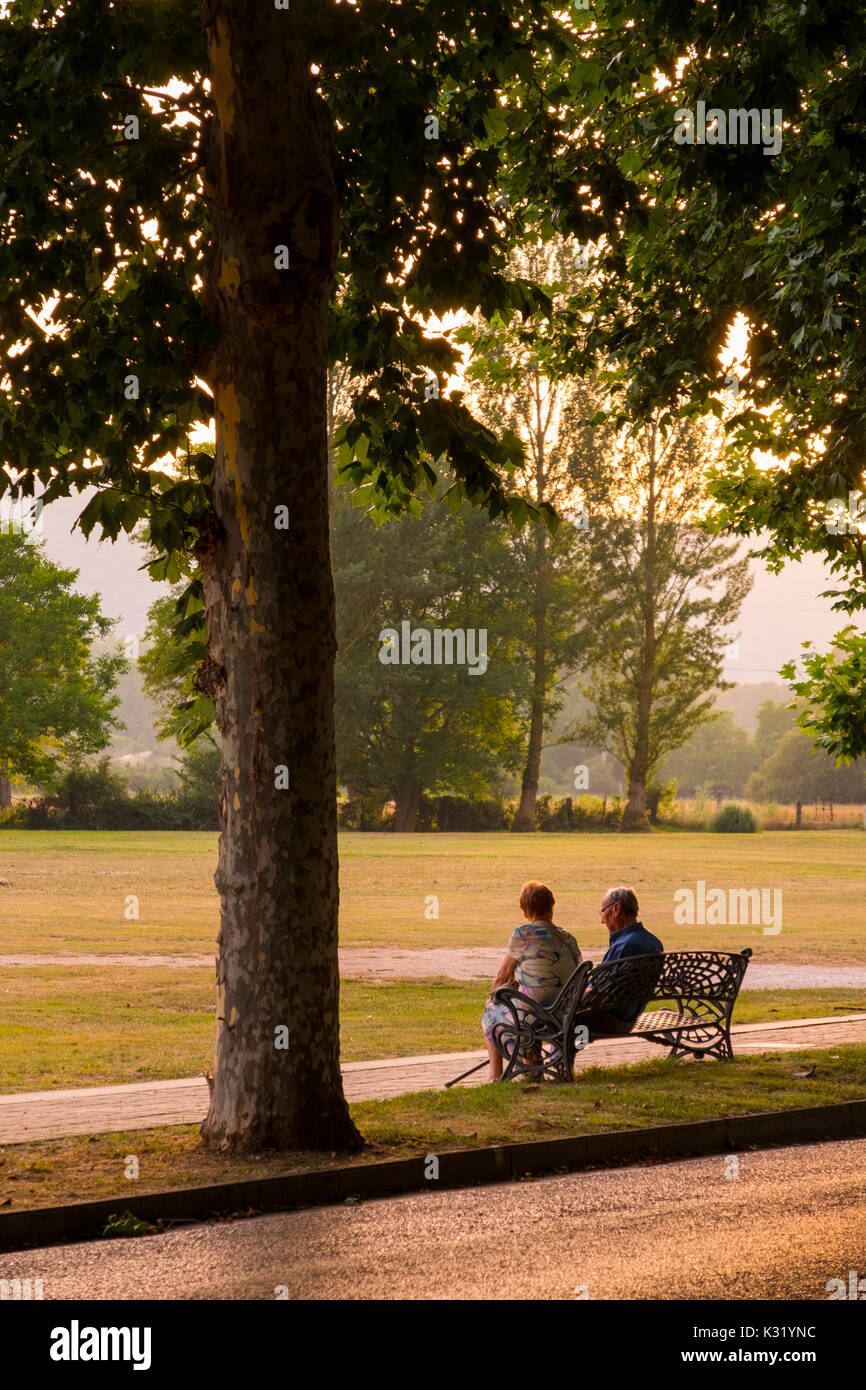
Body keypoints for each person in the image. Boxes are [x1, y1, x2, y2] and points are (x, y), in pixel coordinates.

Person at [482, 880, 582, 1081]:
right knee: (532, 1004)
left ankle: (497, 1075)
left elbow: (502, 976)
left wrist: (495, 998)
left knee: (492, 1012)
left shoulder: (523, 934)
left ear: (525, 911)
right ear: (551, 907)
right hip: (565, 1013)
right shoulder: (568, 938)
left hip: (536, 1015)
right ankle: (533, 1065)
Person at [581, 886, 663, 1035]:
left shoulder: (624, 947)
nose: (602, 920)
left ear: (616, 909)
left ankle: (560, 1057)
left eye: (603, 911)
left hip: (612, 1021)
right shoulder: (654, 942)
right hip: (632, 1015)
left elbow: (597, 996)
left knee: (553, 1017)